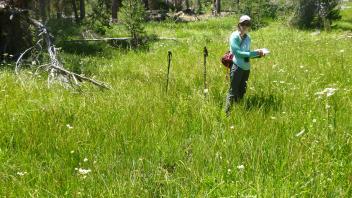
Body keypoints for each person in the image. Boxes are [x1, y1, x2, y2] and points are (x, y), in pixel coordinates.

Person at [225, 15, 265, 115]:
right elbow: (238, 53)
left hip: (246, 68)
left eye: (247, 24)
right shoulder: (234, 36)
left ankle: (238, 110)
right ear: (239, 24)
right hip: (237, 67)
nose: (245, 26)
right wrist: (254, 53)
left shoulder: (248, 38)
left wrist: (259, 55)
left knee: (242, 91)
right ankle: (227, 113)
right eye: (243, 24)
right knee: (233, 91)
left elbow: (247, 55)